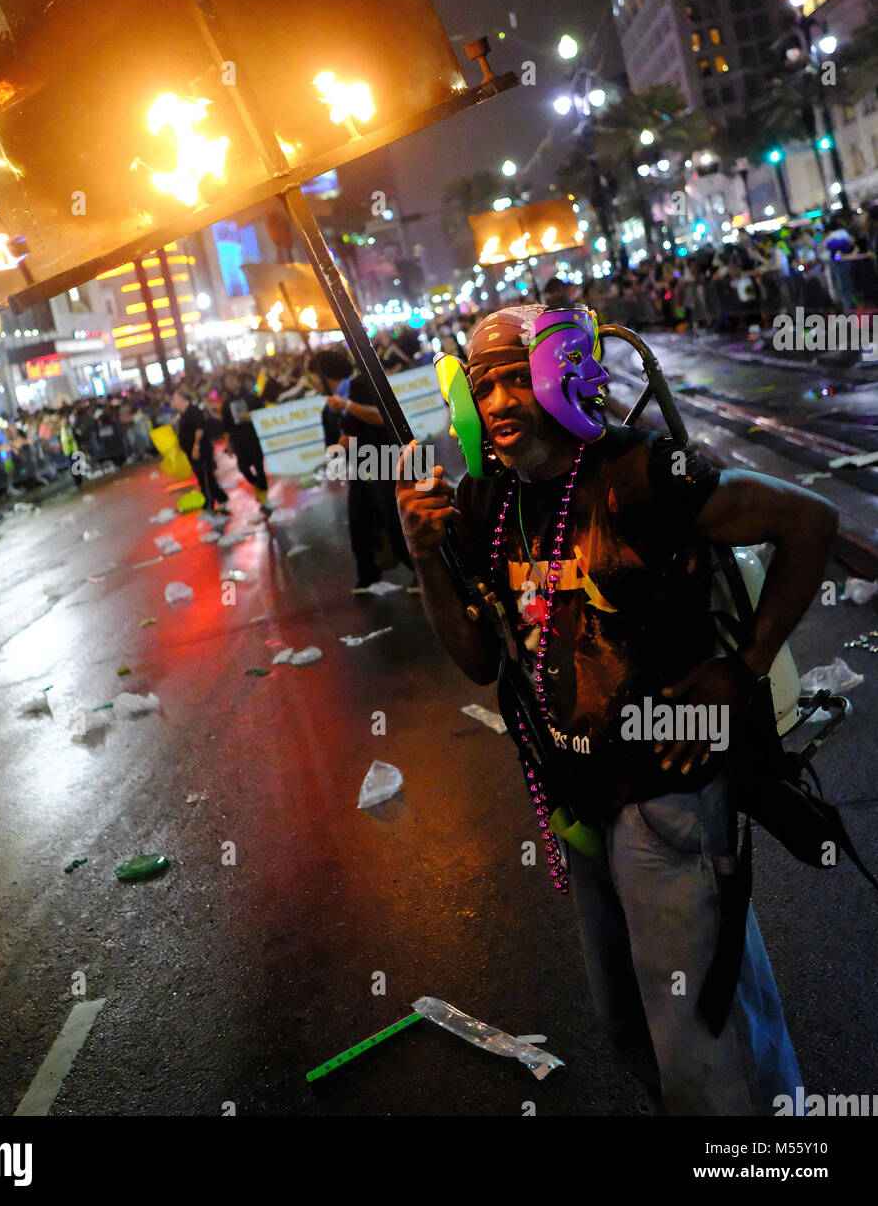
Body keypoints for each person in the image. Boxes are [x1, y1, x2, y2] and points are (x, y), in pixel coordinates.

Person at [396, 302, 838, 1115]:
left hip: (667, 791)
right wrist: (427, 558)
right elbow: (476, 659)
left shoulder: (643, 472)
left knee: (704, 1043)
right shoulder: (487, 503)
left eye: (512, 382)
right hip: (579, 799)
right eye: (481, 386)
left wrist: (740, 668)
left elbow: (808, 519)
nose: (495, 405)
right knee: (629, 1022)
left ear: (560, 374)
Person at [307, 346, 417, 594]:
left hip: (386, 465)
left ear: (327, 375)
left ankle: (421, 573)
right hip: (360, 472)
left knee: (396, 523)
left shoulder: (360, 388)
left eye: (313, 375)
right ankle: (367, 575)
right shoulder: (329, 409)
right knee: (359, 523)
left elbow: (381, 417)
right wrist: (339, 446)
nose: (311, 382)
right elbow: (331, 451)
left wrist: (348, 405)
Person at [170, 383, 229, 511]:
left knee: (206, 478)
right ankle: (219, 499)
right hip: (192, 452)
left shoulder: (193, 411)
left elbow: (199, 430)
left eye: (175, 398)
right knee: (204, 478)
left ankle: (210, 504)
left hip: (201, 451)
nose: (173, 401)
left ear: (182, 398)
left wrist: (196, 447)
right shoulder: (183, 414)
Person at [219, 370, 270, 510]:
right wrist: (228, 445)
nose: (230, 383)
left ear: (238, 381)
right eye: (227, 381)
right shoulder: (226, 404)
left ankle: (264, 496)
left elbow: (265, 413)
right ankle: (257, 485)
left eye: (232, 379)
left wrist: (252, 416)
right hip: (238, 441)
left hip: (254, 437)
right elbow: (226, 426)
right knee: (243, 467)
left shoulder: (252, 398)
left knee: (259, 466)